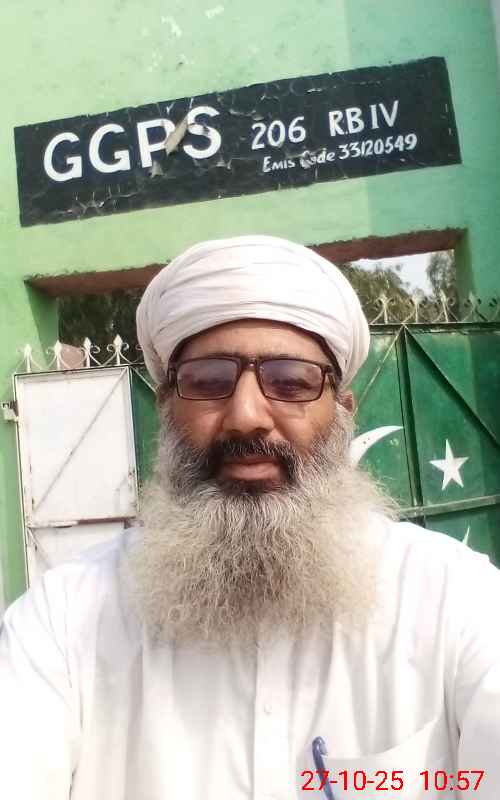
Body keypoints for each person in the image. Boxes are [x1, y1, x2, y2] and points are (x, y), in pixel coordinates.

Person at [1, 235, 499, 800]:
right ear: (166, 407)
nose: (245, 416)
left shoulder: (455, 600)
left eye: (291, 381)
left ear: (343, 412)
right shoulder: (64, 620)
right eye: (208, 382)